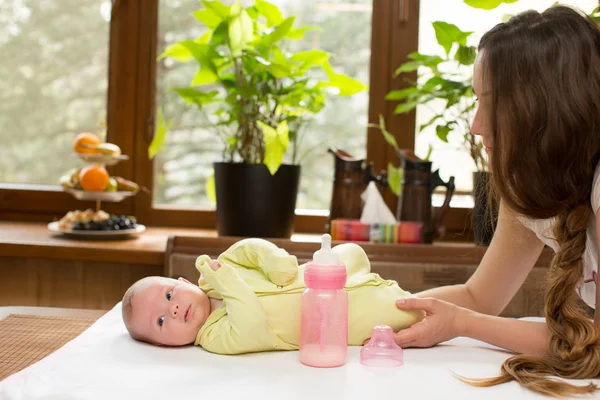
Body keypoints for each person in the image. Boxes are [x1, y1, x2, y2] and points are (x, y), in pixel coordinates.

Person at [392, 5, 600, 397]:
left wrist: (461, 323)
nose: (475, 125)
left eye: (492, 102)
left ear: (544, 106)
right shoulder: (525, 183)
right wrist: (374, 307)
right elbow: (479, 296)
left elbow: (595, 342)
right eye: (476, 100)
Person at [121, 238, 423, 354]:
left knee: (350, 251)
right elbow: (251, 323)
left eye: (169, 294)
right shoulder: (215, 337)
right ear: (163, 344)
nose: (172, 309)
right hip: (340, 321)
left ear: (184, 280)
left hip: (325, 271)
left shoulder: (217, 267)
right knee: (411, 312)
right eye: (160, 320)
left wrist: (273, 258)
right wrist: (226, 279)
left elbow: (249, 248)